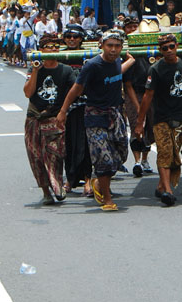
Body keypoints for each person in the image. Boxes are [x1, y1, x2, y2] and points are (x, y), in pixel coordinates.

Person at [56, 28, 134, 212]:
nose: (113, 50)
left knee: (121, 154)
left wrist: (130, 60)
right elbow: (76, 89)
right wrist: (63, 111)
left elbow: (117, 72)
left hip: (115, 113)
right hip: (95, 114)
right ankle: (107, 198)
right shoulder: (92, 65)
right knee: (103, 158)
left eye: (117, 46)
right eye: (110, 46)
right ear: (102, 46)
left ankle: (100, 181)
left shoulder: (117, 62)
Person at [135, 33, 182, 207]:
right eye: (164, 48)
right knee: (164, 152)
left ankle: (162, 185)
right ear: (160, 51)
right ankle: (168, 191)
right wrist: (140, 122)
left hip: (180, 117)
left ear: (176, 46)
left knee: (175, 155)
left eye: (171, 47)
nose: (169, 50)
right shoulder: (156, 69)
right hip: (161, 118)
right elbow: (147, 96)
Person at [23, 37, 76, 205]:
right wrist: (36, 71)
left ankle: (56, 184)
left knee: (54, 153)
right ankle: (46, 191)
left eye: (55, 47)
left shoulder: (66, 70)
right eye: (47, 47)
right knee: (36, 155)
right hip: (34, 117)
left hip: (54, 116)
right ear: (41, 50)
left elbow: (74, 92)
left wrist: (63, 111)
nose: (51, 50)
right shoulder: (35, 68)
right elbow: (28, 93)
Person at [60, 24, 93, 197]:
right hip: (67, 108)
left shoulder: (89, 58)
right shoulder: (60, 57)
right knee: (69, 144)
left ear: (81, 38)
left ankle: (88, 180)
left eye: (75, 37)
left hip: (87, 105)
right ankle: (70, 180)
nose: (72, 40)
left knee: (87, 145)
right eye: (68, 37)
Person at [122, 17, 154, 177]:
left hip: (151, 91)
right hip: (133, 92)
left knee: (150, 126)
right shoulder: (125, 51)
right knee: (136, 125)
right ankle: (136, 161)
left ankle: (145, 159)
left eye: (136, 26)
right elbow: (127, 84)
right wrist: (137, 105)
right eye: (129, 27)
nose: (133, 29)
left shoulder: (150, 47)